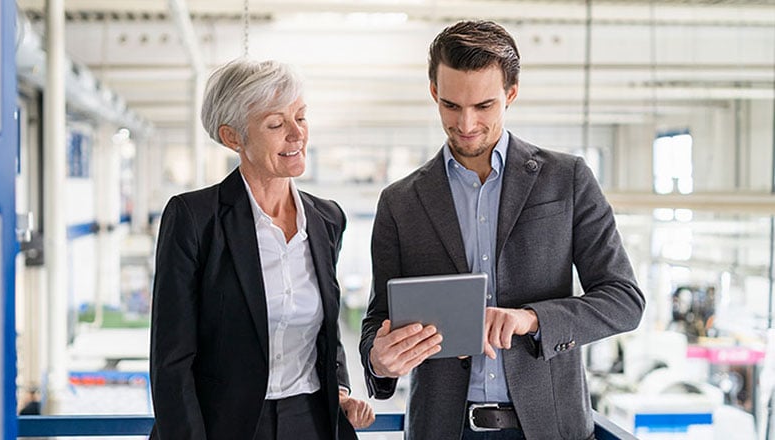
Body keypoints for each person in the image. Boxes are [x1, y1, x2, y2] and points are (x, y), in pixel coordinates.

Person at [359, 20, 645, 440]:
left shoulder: (566, 179)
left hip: (549, 428)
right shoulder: (400, 202)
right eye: (451, 106)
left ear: (510, 94)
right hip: (443, 429)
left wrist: (532, 319)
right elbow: (377, 321)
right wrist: (378, 361)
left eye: (484, 106)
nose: (467, 123)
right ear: (434, 93)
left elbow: (624, 300)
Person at [150, 58, 374, 440]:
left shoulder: (327, 219)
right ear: (233, 137)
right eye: (275, 124)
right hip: (223, 425)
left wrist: (339, 389)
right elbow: (172, 362)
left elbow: (326, 331)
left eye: (300, 118)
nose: (296, 134)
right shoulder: (194, 218)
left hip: (311, 421)